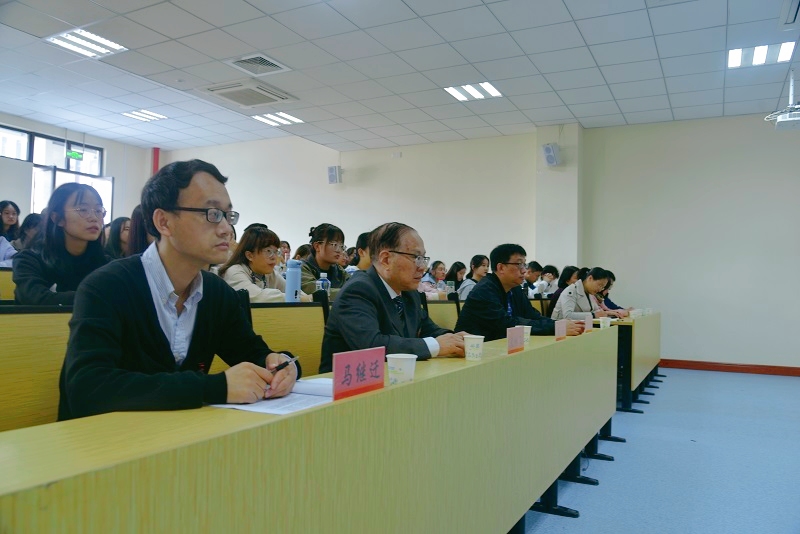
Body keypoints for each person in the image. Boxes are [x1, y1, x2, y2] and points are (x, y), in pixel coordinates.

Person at [58, 159, 299, 421]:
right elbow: (87, 388)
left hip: (178, 436)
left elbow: (254, 353)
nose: (226, 230)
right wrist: (214, 388)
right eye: (212, 214)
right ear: (164, 222)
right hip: (104, 439)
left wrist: (283, 365)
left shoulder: (216, 293)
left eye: (228, 216)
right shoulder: (107, 286)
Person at [320, 222, 465, 373]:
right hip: (345, 382)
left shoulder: (408, 292)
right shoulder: (358, 290)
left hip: (394, 376)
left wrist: (457, 339)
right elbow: (372, 345)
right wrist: (436, 345)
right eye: (416, 257)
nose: (423, 267)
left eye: (423, 258)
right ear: (386, 259)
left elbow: (428, 329)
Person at [455, 244, 583, 341]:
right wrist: (556, 327)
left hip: (503, 346)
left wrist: (558, 324)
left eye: (524, 265)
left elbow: (532, 315)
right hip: (474, 351)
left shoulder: (514, 288)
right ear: (501, 267)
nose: (524, 271)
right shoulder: (484, 290)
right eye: (519, 264)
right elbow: (507, 324)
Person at [12, 183, 108, 305]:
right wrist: (97, 297)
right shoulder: (29, 260)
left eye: (98, 211)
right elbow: (35, 299)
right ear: (57, 218)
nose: (94, 218)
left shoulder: (105, 263)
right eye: (83, 210)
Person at [219, 225, 311, 303]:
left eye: (276, 251)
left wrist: (307, 298)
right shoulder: (234, 272)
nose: (274, 257)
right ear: (250, 255)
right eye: (268, 251)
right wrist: (299, 298)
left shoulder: (270, 273)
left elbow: (295, 291)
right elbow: (257, 297)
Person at [300, 223, 351, 299]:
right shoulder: (301, 268)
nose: (339, 250)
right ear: (317, 246)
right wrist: (349, 293)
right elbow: (315, 292)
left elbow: (354, 285)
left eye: (341, 246)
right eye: (334, 244)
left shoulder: (339, 270)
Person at [552, 267, 623, 321]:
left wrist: (607, 313)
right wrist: (593, 315)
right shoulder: (571, 291)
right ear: (590, 278)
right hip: (560, 328)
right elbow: (568, 315)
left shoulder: (589, 292)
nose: (600, 289)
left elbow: (596, 310)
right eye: (599, 285)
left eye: (602, 287)